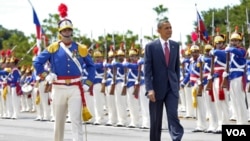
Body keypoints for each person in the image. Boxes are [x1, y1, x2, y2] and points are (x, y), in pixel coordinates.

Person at [33, 3, 95, 141]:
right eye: (64, 30)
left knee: (76, 120)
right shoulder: (53, 47)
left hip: (75, 87)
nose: (67, 32)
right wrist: (46, 75)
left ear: (72, 31)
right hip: (58, 87)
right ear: (60, 32)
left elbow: (91, 66)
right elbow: (36, 63)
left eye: (69, 30)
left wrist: (88, 83)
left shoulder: (81, 48)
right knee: (59, 122)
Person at [144, 19, 184, 141]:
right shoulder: (151, 46)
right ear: (159, 30)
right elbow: (147, 70)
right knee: (156, 119)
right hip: (156, 89)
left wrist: (177, 83)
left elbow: (176, 67)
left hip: (172, 88)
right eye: (166, 28)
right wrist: (149, 89)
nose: (169, 30)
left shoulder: (175, 45)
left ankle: (176, 138)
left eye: (170, 27)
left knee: (173, 116)